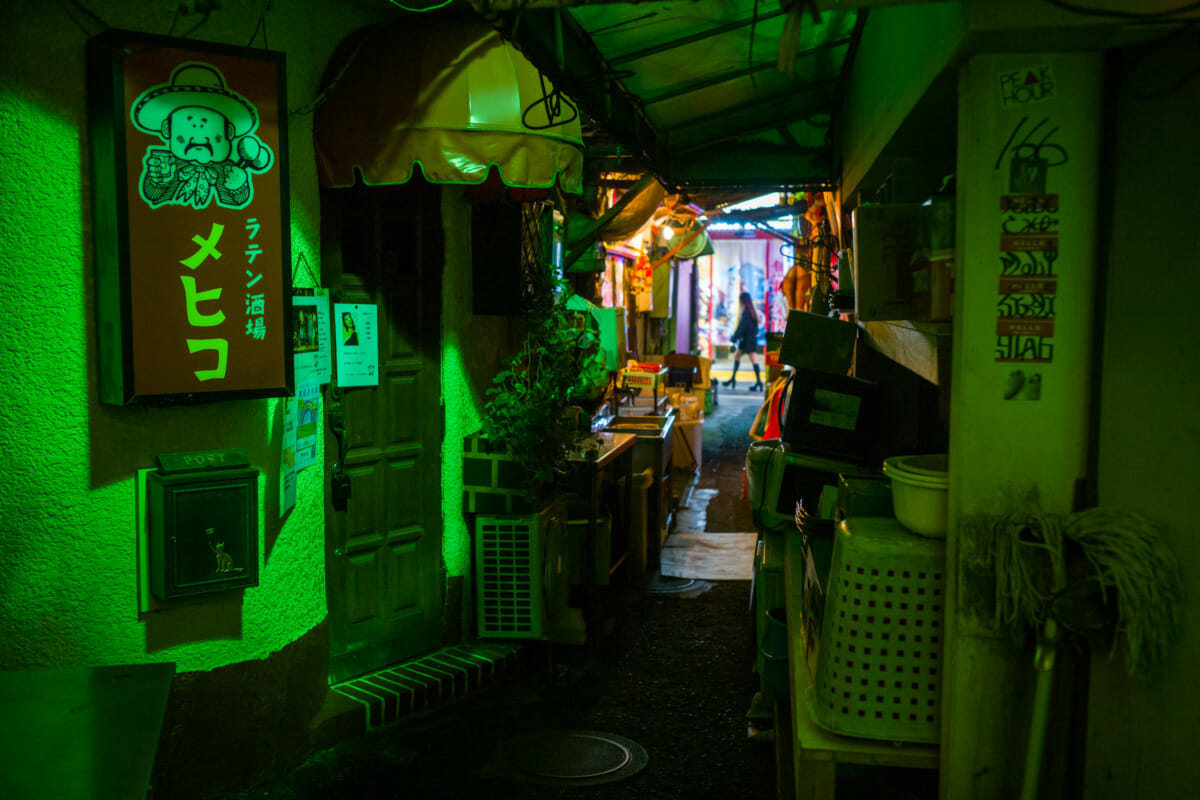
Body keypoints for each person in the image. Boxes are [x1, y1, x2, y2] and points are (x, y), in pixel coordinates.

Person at [723, 292, 763, 390]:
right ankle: (735, 379)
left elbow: (742, 327)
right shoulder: (751, 311)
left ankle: (757, 382)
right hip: (750, 340)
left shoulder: (747, 312)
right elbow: (754, 328)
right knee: (739, 357)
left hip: (747, 341)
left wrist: (735, 337)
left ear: (743, 301)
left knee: (750, 359)